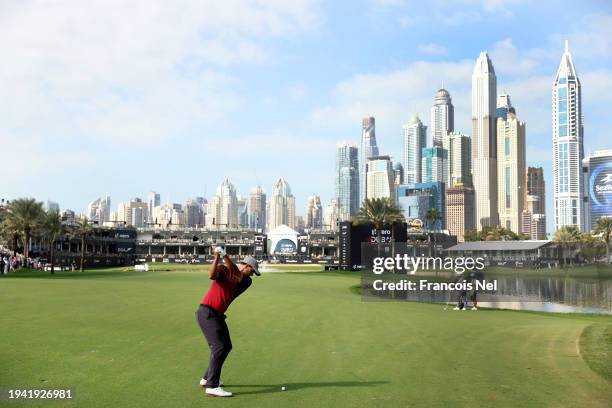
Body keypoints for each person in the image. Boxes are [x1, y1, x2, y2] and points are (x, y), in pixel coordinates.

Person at [195, 248, 260, 398]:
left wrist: (224, 255)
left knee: (225, 346)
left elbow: (235, 272)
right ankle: (212, 385)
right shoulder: (223, 270)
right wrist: (217, 257)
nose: (253, 275)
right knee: (220, 347)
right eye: (253, 271)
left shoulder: (246, 281)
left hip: (216, 315)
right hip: (207, 313)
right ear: (247, 266)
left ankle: (206, 379)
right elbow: (211, 275)